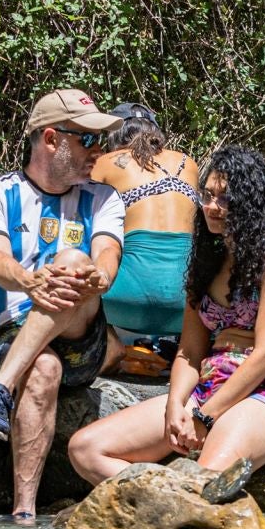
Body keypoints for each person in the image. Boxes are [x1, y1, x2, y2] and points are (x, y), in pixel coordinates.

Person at [68, 146, 265, 482]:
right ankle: (160, 505)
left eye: (225, 199)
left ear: (251, 203)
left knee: (204, 478)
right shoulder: (207, 256)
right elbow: (190, 351)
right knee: (86, 448)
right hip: (207, 387)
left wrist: (205, 417)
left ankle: (170, 506)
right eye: (207, 195)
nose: (212, 207)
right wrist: (176, 406)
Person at [0, 89, 127, 523]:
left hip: (81, 335)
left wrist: (100, 276)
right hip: (5, 335)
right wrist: (27, 280)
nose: (100, 151)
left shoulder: (104, 198)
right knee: (45, 369)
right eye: (88, 140)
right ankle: (24, 515)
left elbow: (107, 256)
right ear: (52, 139)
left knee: (74, 262)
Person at [90, 102, 197, 369]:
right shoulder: (187, 162)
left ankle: (108, 343)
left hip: (123, 302)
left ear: (113, 134)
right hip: (186, 307)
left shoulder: (104, 163)